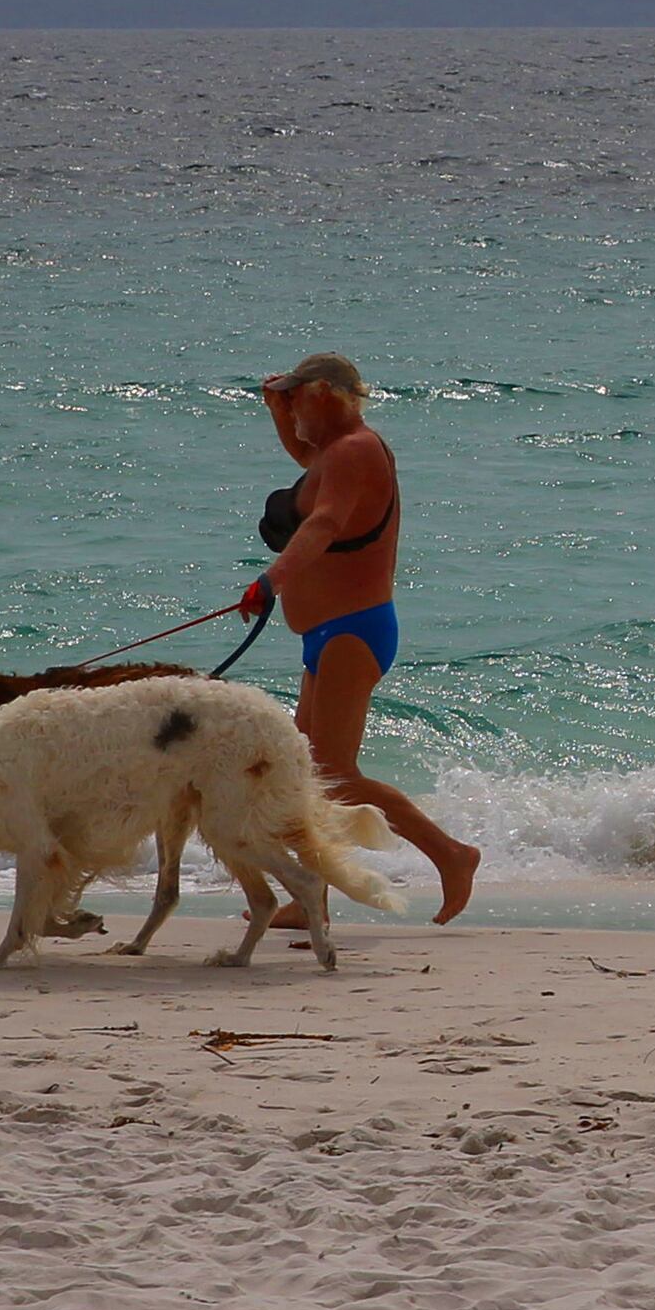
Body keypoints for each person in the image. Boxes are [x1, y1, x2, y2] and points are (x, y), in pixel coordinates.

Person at [245, 353, 478, 924]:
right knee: (307, 774)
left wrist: (271, 581)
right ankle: (312, 899)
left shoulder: (357, 451)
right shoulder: (332, 454)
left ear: (326, 392)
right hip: (327, 635)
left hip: (354, 631)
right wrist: (278, 409)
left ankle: (452, 855)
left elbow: (323, 523)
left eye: (298, 398)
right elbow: (306, 459)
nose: (294, 409)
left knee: (335, 773)